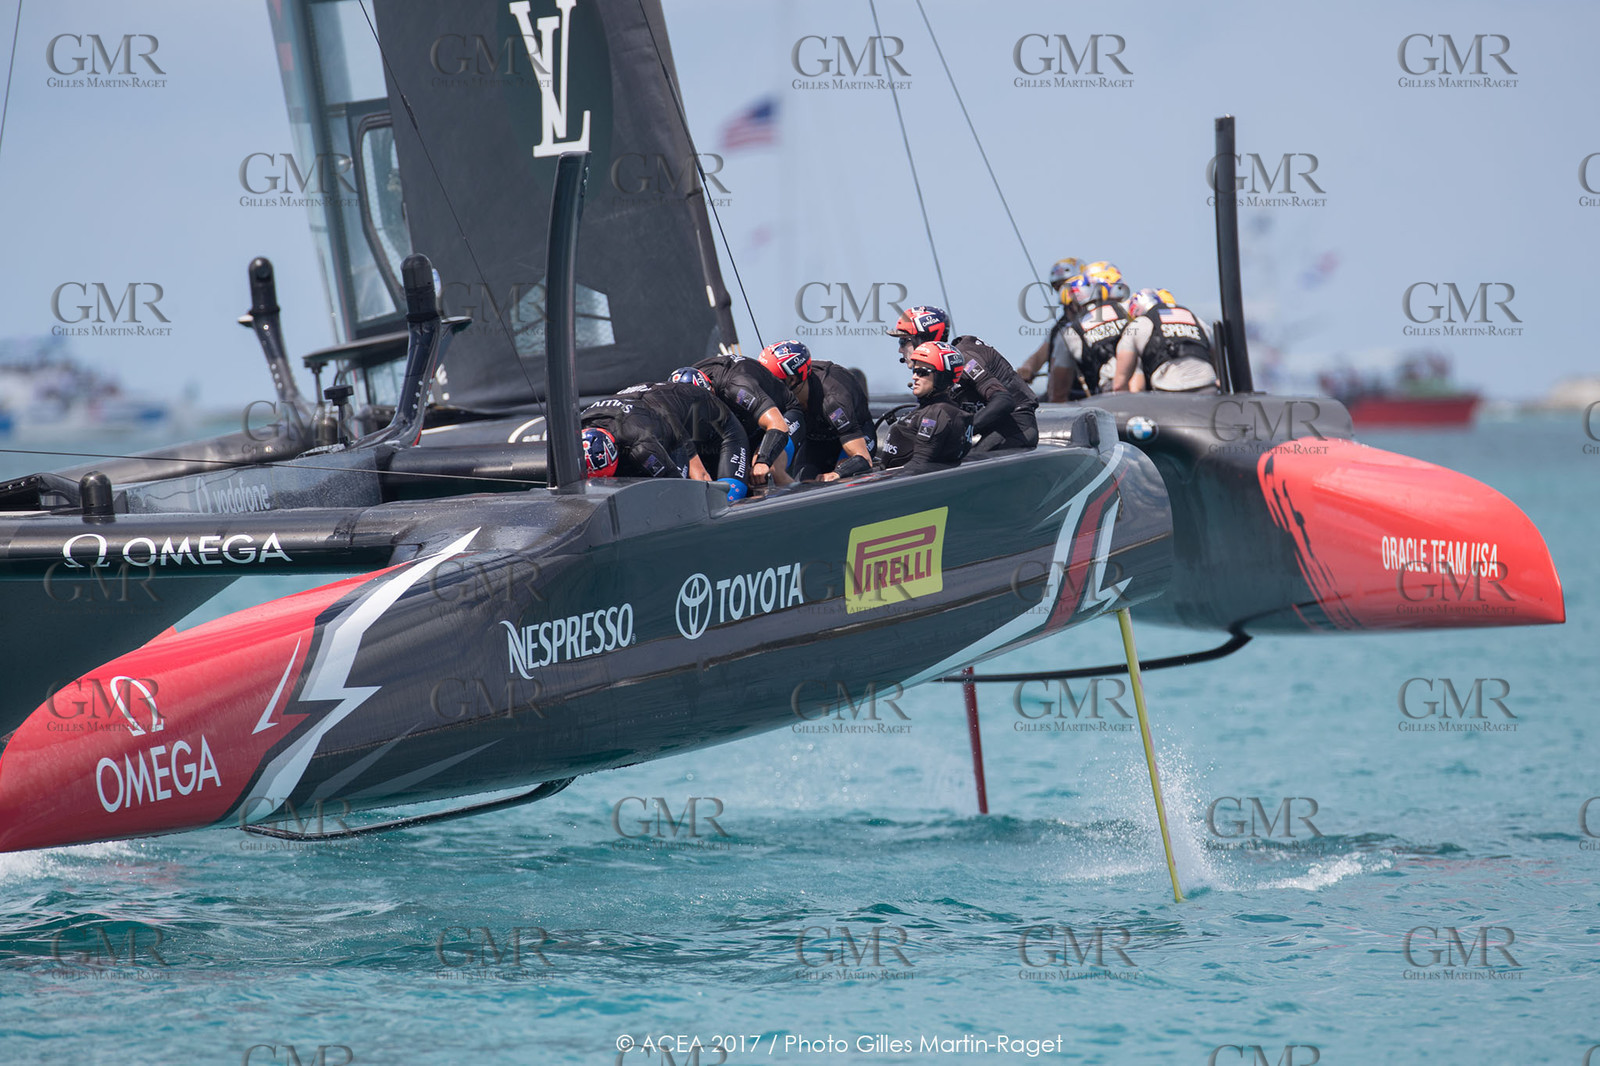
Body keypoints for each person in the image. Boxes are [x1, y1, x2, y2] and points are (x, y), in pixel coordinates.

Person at [886, 305, 1037, 452]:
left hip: (1017, 427)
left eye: (903, 341)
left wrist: (963, 430)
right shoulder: (939, 368)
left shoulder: (962, 358)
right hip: (994, 428)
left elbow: (1004, 400)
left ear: (923, 340)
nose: (900, 349)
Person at [579, 380, 751, 500]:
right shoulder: (578, 427)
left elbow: (695, 480)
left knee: (720, 497)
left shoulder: (642, 445)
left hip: (713, 425)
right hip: (656, 413)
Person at [758, 340, 874, 482]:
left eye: (770, 382)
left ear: (792, 380)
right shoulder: (781, 396)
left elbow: (863, 458)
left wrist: (838, 473)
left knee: (844, 474)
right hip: (815, 440)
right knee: (804, 479)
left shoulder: (832, 400)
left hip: (856, 434)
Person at [682, 354, 803, 487]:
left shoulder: (735, 387)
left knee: (770, 472)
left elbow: (778, 425)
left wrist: (763, 462)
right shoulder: (676, 402)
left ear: (712, 391)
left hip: (781, 415)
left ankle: (805, 502)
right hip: (742, 426)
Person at [878, 341, 971, 474]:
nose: (914, 376)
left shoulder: (937, 413)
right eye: (915, 371)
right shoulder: (936, 410)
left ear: (941, 376)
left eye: (922, 372)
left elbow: (919, 465)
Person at [1112, 288, 1220, 394]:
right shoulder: (1197, 320)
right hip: (1208, 388)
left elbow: (1120, 384)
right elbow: (1216, 363)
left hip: (1168, 394)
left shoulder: (1137, 326)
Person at [1017, 256, 1084, 402]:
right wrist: (1027, 368)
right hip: (1060, 397)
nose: (1064, 291)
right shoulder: (1059, 328)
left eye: (1068, 285)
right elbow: (1041, 354)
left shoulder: (1089, 321)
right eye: (1059, 287)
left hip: (1085, 396)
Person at [1059, 271, 1132, 396]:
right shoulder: (1122, 309)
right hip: (1137, 379)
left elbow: (1062, 378)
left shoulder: (1072, 330)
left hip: (1109, 387)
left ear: (1073, 304)